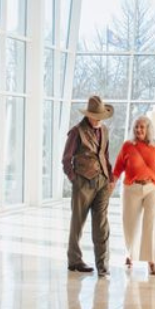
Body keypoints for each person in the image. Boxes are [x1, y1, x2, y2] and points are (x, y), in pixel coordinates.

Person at [111, 115, 155, 276]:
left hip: (152, 188)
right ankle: (130, 254)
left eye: (142, 127)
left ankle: (151, 261)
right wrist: (111, 186)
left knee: (151, 224)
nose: (138, 130)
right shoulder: (127, 146)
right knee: (130, 224)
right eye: (136, 127)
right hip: (131, 188)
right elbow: (117, 169)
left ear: (149, 129)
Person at [63, 95, 115, 276]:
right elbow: (66, 159)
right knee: (78, 223)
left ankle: (103, 265)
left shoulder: (105, 130)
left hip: (102, 182)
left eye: (100, 117)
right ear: (88, 115)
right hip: (83, 183)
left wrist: (111, 177)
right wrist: (75, 179)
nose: (98, 120)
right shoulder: (76, 132)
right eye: (95, 116)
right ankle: (74, 261)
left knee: (101, 224)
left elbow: (105, 156)